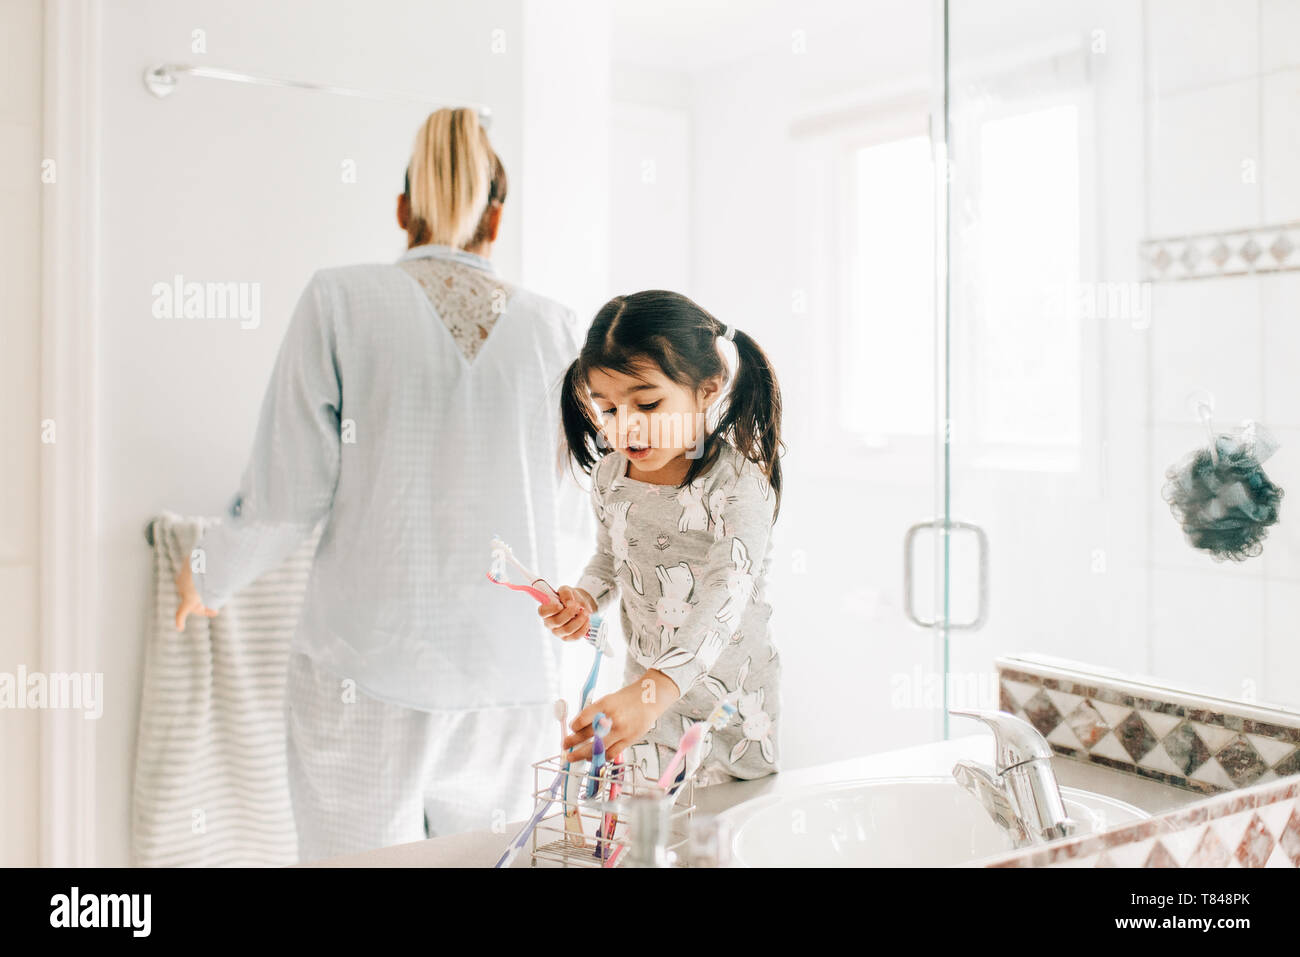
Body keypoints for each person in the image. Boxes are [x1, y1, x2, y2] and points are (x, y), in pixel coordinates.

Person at [174, 107, 586, 861]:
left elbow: (285, 496)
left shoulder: (341, 301)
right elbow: (574, 519)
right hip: (514, 685)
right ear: (499, 214)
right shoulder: (558, 331)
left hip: (363, 682)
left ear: (402, 207)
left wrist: (206, 572)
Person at [539, 290, 784, 787]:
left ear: (709, 386)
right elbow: (611, 557)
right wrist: (585, 598)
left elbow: (723, 601)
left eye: (647, 403)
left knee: (723, 838)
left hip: (732, 711)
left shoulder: (738, 488)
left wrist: (652, 691)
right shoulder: (612, 475)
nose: (624, 426)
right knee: (647, 835)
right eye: (607, 409)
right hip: (646, 697)